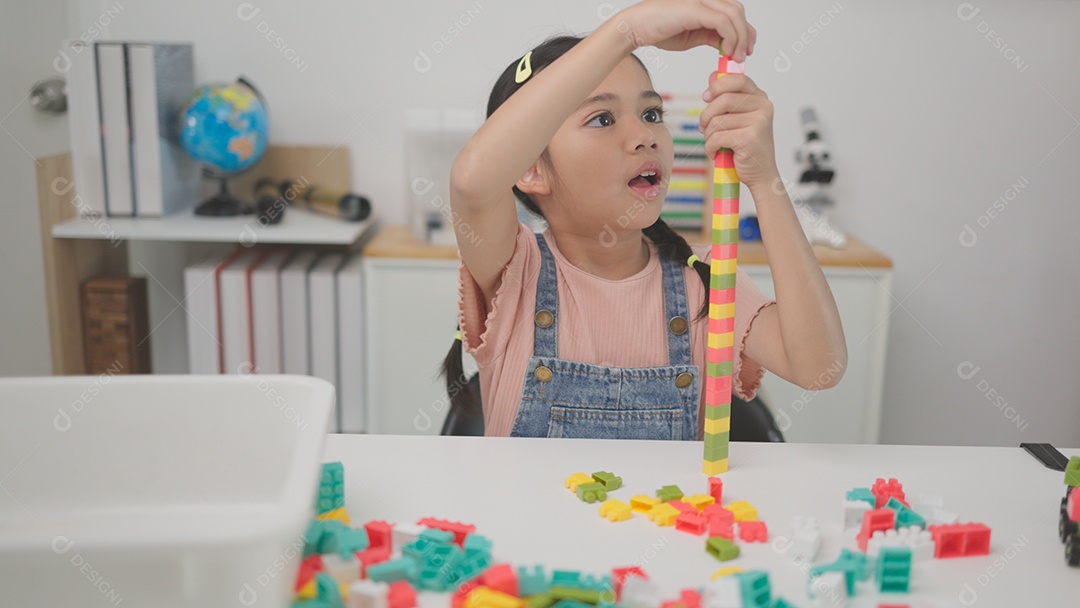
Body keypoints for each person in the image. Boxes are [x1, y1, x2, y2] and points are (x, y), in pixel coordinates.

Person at [442, 0, 846, 439]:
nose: (644, 136)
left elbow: (819, 368)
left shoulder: (705, 278)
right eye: (602, 119)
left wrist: (765, 180)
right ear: (530, 168)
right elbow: (472, 181)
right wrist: (627, 31)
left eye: (651, 114)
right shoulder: (515, 271)